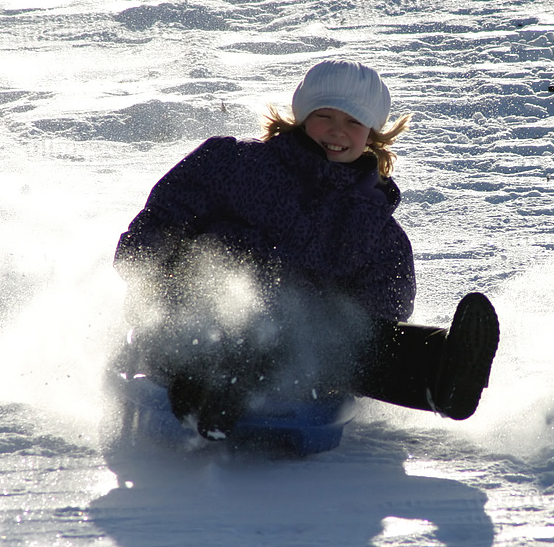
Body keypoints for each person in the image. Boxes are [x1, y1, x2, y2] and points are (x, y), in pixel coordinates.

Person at [113, 60, 499, 440]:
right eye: (324, 116)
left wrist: (355, 336)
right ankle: (206, 385)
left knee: (356, 339)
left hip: (293, 347)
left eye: (353, 122)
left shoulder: (374, 223)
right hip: (198, 312)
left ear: (372, 136)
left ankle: (441, 372)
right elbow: (164, 216)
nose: (337, 131)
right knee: (221, 292)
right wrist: (151, 267)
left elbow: (385, 301)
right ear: (300, 117)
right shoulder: (234, 163)